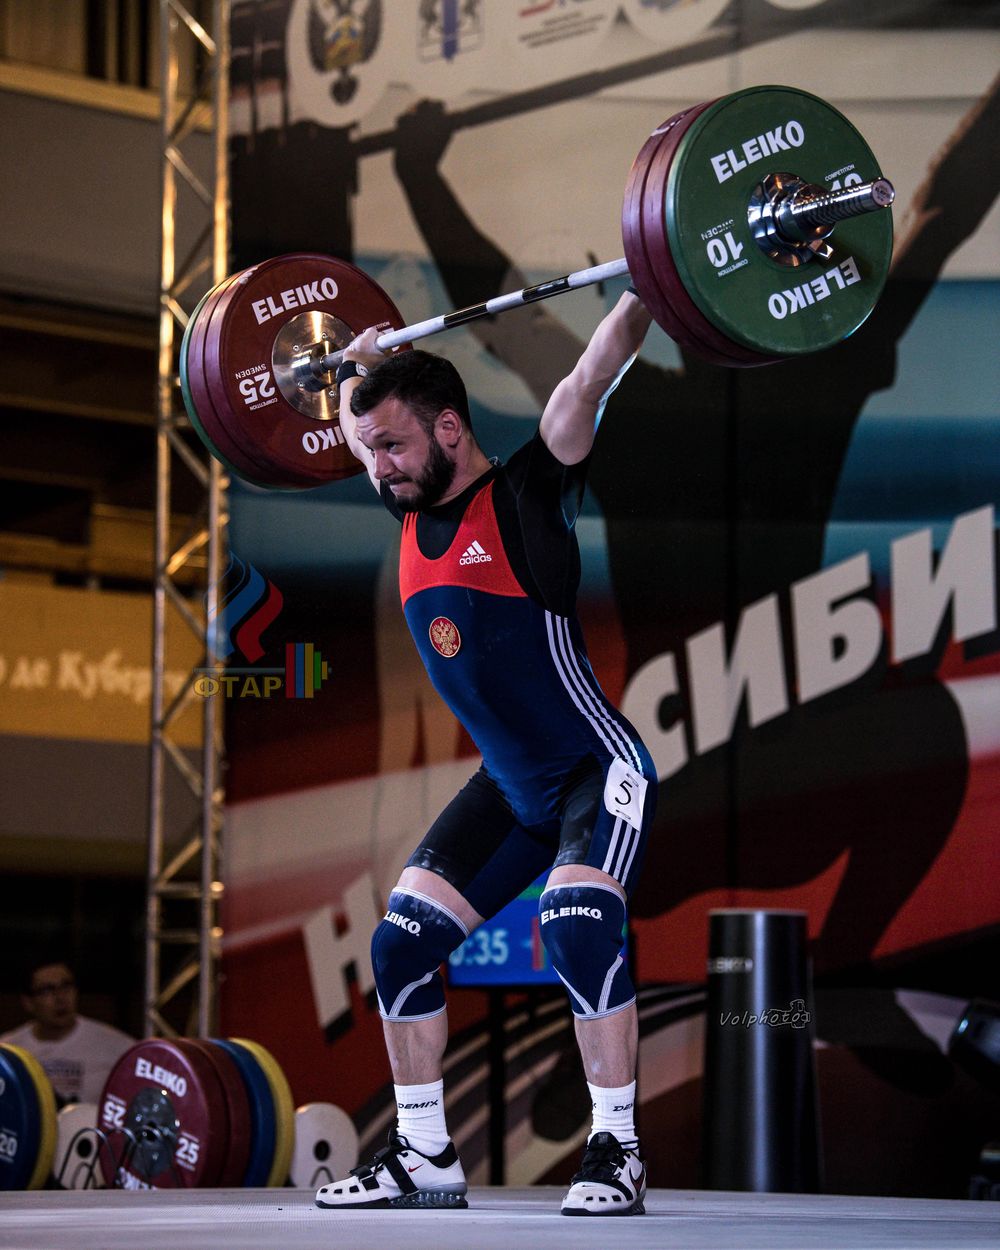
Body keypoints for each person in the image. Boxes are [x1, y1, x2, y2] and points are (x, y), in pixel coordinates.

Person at [314, 290, 657, 1215]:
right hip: (511, 792)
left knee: (576, 924)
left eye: (392, 447)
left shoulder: (529, 493)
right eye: (371, 449)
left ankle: (617, 1150)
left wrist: (651, 281)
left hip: (595, 769)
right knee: (399, 947)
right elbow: (356, 425)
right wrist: (356, 367)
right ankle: (424, 1155)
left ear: (450, 430)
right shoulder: (405, 495)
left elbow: (595, 372)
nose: (378, 467)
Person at [1, 957, 134, 1107]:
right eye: (47, 990)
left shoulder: (117, 1045)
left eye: (66, 987)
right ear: (28, 1002)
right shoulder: (8, 1052)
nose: (60, 998)